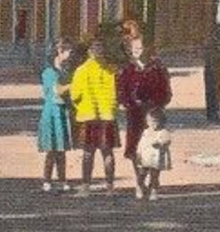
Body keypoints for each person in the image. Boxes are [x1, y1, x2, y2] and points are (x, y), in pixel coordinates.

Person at [117, 30, 172, 200]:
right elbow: (121, 91)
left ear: (146, 49)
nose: (138, 51)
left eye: (140, 48)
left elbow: (166, 91)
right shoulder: (128, 69)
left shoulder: (157, 68)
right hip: (135, 114)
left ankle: (154, 183)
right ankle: (139, 182)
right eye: (135, 48)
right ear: (130, 50)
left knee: (156, 148)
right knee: (136, 149)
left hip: (153, 115)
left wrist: (157, 105)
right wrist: (128, 103)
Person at [70, 37, 119, 193]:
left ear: (89, 53)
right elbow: (118, 93)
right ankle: (110, 187)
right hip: (107, 116)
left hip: (87, 115)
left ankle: (85, 187)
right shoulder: (112, 70)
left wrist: (79, 106)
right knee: (107, 152)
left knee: (88, 153)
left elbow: (74, 95)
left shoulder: (81, 71)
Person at [38, 39, 74, 193]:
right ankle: (47, 180)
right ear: (59, 52)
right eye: (68, 52)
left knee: (62, 149)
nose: (70, 56)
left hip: (62, 112)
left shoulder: (65, 72)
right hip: (51, 112)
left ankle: (62, 179)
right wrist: (73, 85)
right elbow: (56, 91)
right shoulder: (49, 72)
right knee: (51, 149)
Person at [202, 23, 220, 122]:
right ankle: (211, 114)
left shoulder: (217, 42)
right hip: (211, 70)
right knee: (211, 92)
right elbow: (211, 57)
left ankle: (214, 113)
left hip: (216, 69)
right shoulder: (211, 42)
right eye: (219, 31)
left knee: (216, 92)